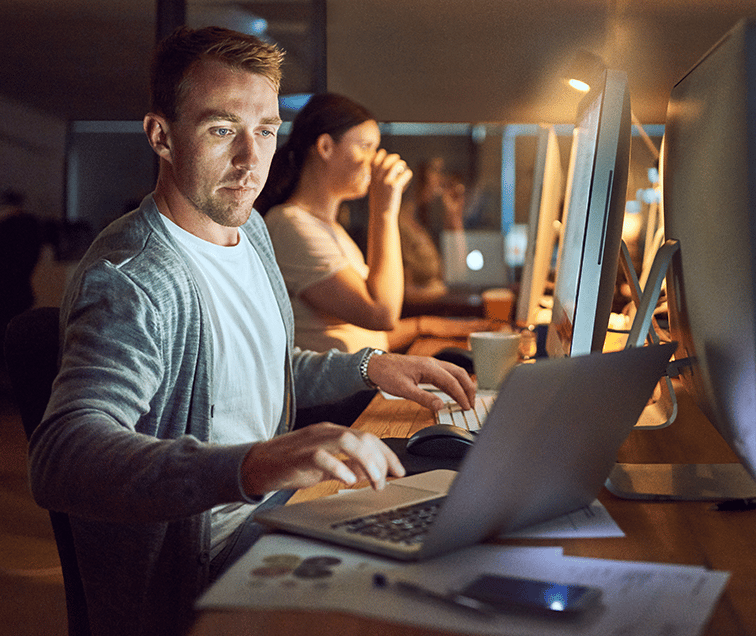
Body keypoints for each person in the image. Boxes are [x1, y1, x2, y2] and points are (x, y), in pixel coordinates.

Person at [27, 27, 475, 636]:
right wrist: (252, 466)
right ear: (161, 136)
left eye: (264, 131)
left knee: (463, 527)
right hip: (202, 561)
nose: (250, 159)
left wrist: (371, 366)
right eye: (221, 130)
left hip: (275, 512)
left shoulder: (251, 232)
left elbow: (260, 365)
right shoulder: (134, 280)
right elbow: (61, 457)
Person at [257, 93, 413, 353]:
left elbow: (361, 333)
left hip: (363, 383)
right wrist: (384, 210)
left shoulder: (330, 228)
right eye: (365, 146)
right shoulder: (289, 224)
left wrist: (425, 326)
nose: (374, 160)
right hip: (335, 391)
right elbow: (381, 314)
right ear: (326, 147)